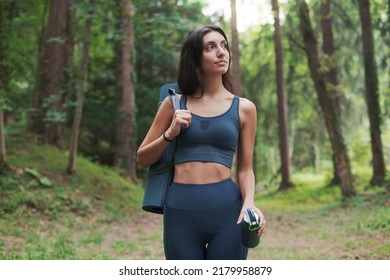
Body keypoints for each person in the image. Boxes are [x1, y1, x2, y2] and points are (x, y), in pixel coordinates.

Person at [137, 25, 266, 260]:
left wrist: (249, 202)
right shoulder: (173, 103)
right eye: (210, 47)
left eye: (224, 46)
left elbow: (246, 168)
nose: (221, 52)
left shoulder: (245, 108)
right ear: (195, 57)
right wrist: (170, 133)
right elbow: (142, 158)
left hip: (228, 210)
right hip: (180, 209)